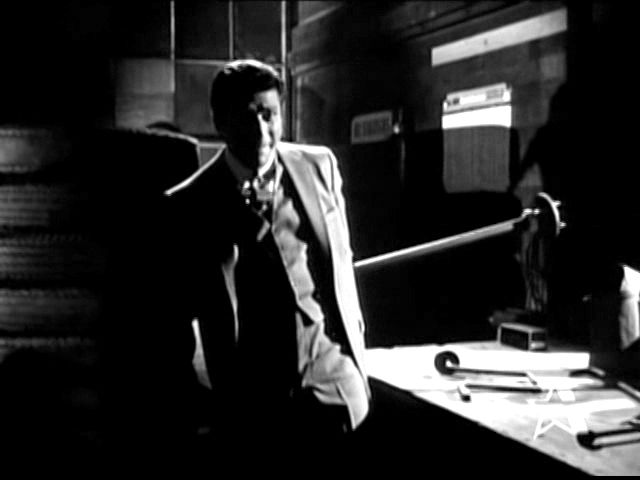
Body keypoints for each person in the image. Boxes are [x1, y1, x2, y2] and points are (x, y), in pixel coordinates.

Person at [163, 59, 371, 465]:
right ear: (220, 122)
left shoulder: (319, 167)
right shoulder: (187, 205)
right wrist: (204, 412)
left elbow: (340, 264)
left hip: (338, 388)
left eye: (268, 115)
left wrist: (354, 369)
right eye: (246, 117)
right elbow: (171, 327)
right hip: (256, 412)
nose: (261, 131)